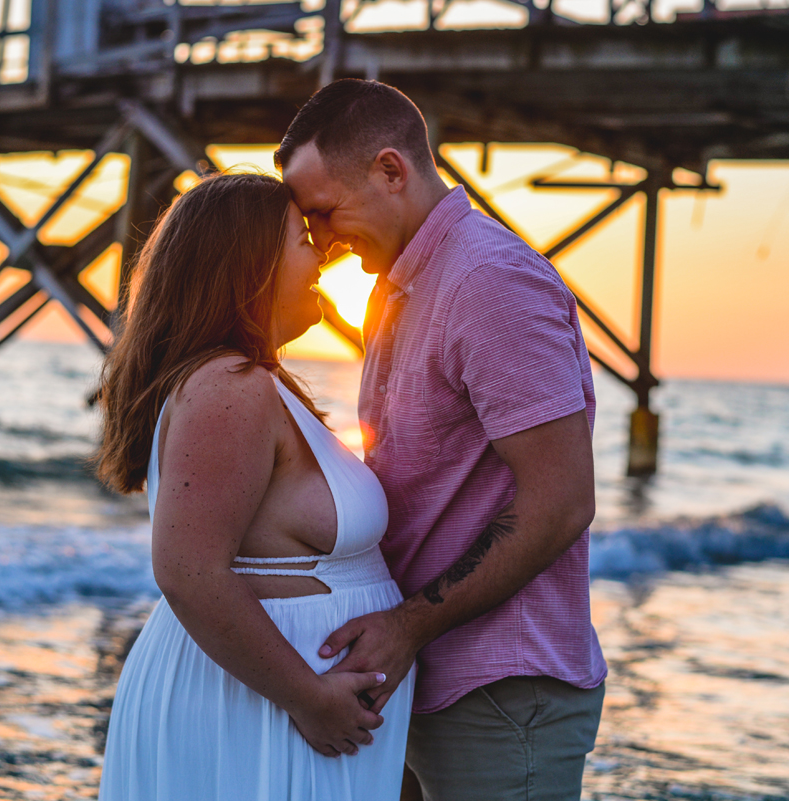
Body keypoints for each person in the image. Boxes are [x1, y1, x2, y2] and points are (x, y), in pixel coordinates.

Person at [277, 80, 608, 801]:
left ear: (391, 171)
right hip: (422, 675)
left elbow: (561, 503)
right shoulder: (395, 286)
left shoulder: (490, 282)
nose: (323, 242)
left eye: (325, 213)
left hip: (502, 689)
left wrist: (404, 626)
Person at [95, 172, 414, 800]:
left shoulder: (262, 383)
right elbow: (188, 570)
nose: (320, 253)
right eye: (302, 239)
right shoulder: (230, 387)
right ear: (251, 264)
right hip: (266, 707)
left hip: (284, 705)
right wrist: (310, 696)